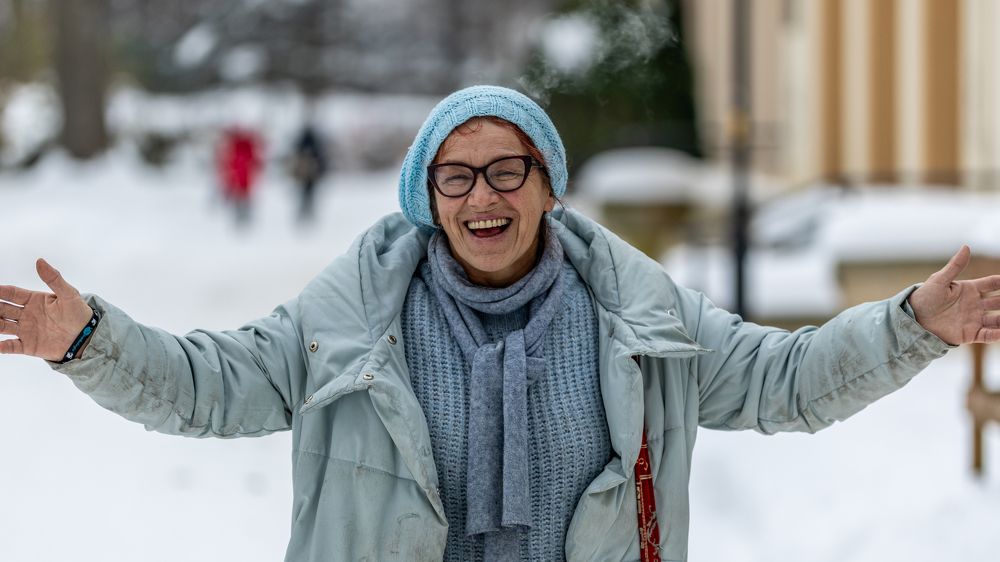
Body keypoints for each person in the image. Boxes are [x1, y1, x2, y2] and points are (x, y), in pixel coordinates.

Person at [1, 85, 999, 562]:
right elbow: (211, 386)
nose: (484, 195)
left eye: (508, 168)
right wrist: (91, 342)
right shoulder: (348, 316)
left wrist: (912, 324)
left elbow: (784, 379)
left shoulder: (638, 314)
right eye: (457, 174)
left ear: (547, 185)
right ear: (428, 195)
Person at [290, 124, 329, 223]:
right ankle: (306, 211)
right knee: (308, 192)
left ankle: (305, 211)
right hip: (309, 173)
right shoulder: (315, 144)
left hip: (307, 173)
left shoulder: (302, 144)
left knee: (305, 192)